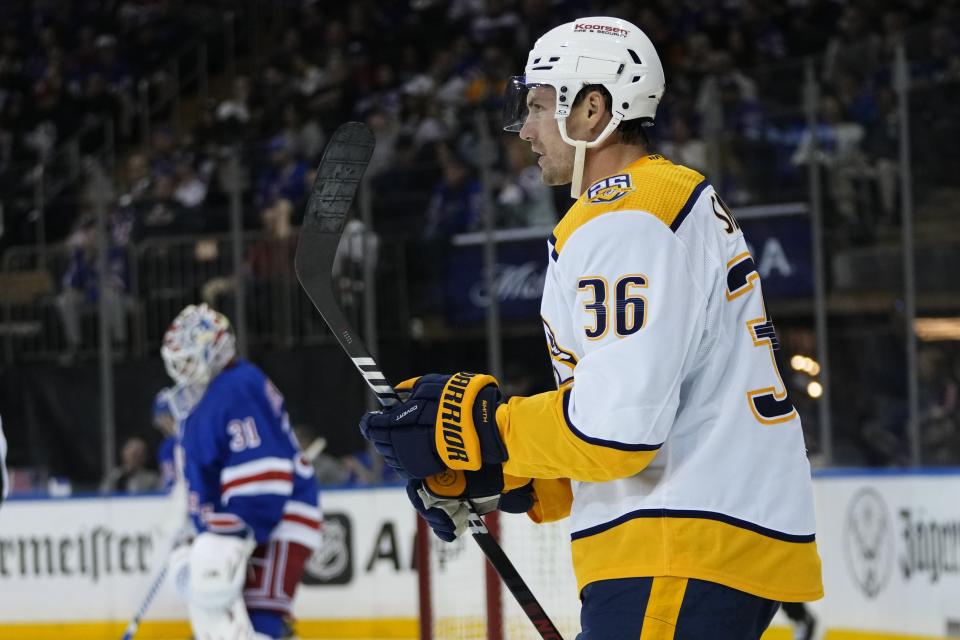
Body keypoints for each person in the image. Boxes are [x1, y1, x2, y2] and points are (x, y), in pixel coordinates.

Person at [359, 16, 823, 638]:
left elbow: (618, 432)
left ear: (592, 109)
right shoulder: (652, 204)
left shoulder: (625, 217)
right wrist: (508, 478)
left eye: (538, 106)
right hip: (690, 537)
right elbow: (636, 422)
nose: (524, 129)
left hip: (678, 540)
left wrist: (481, 428)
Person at [161, 303, 321, 640]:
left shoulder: (236, 387)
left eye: (190, 358)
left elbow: (265, 472)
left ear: (214, 350)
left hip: (279, 519)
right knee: (220, 625)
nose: (184, 369)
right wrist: (198, 527)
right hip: (244, 524)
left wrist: (230, 530)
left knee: (259, 621)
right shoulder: (207, 400)